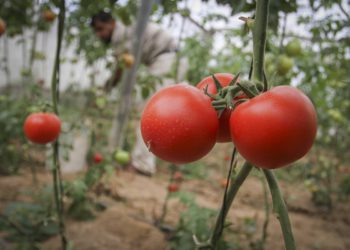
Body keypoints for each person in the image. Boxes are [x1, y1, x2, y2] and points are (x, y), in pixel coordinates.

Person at [90, 11, 188, 175]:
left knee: (152, 113)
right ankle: (175, 157)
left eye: (101, 29)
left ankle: (143, 164)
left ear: (111, 23)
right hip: (173, 59)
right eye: (96, 32)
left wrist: (105, 89)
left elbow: (120, 69)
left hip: (165, 61)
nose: (99, 34)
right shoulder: (130, 28)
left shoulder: (121, 35)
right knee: (172, 113)